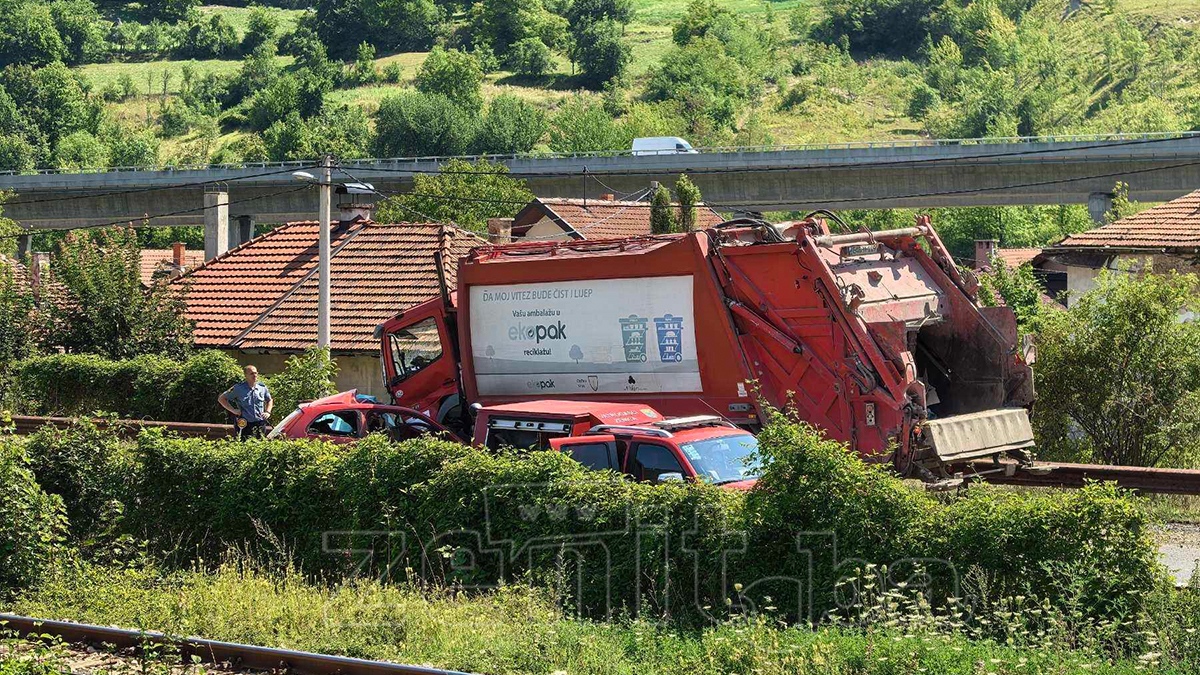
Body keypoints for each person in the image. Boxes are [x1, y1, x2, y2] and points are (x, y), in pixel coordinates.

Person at [218, 365, 273, 441]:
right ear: (245, 375)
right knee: (244, 446)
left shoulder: (262, 388)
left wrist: (268, 412)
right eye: (251, 374)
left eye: (255, 373)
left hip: (260, 423)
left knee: (260, 446)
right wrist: (233, 410)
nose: (254, 375)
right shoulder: (238, 388)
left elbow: (269, 400)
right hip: (244, 424)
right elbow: (221, 399)